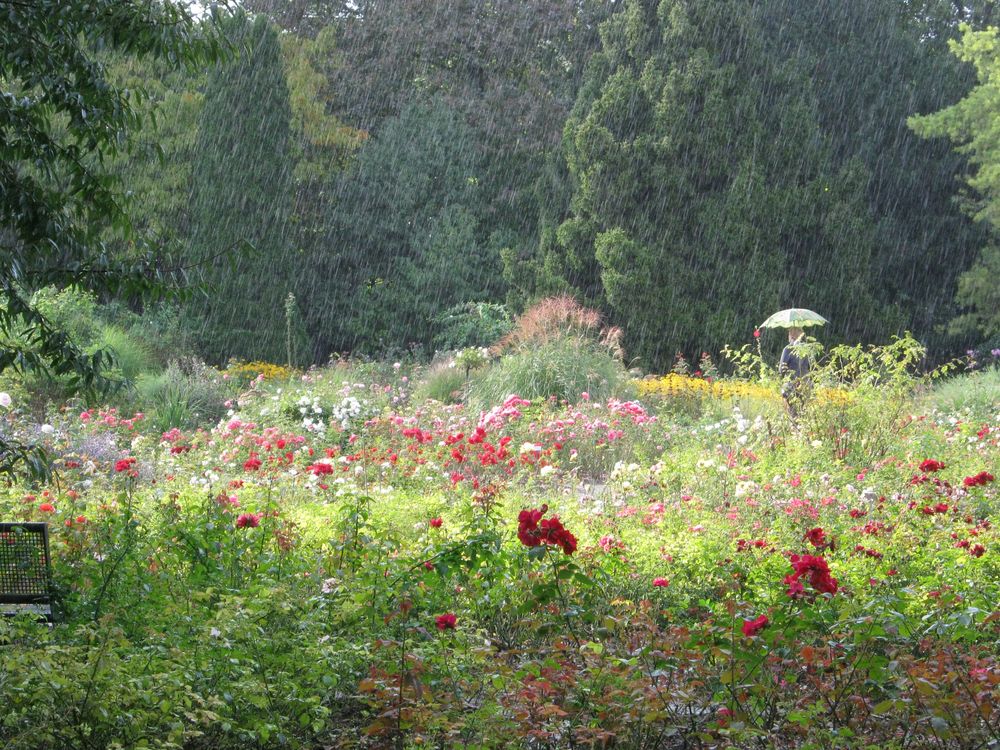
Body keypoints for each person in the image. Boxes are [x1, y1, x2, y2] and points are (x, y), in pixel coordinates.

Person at [779, 327, 811, 419]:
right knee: (803, 414)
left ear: (791, 335)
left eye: (789, 332)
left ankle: (794, 429)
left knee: (793, 415)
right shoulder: (807, 348)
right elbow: (811, 366)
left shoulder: (788, 349)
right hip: (806, 385)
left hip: (791, 386)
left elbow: (781, 370)